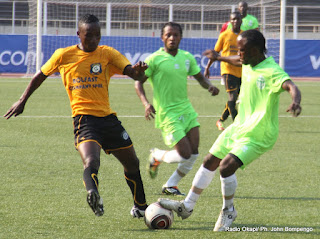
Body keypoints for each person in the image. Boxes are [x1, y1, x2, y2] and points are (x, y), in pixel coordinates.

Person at [4, 14, 149, 218]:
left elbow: (133, 73)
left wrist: (139, 72)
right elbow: (40, 75)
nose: (93, 40)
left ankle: (141, 207)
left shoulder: (107, 53)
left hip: (109, 120)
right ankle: (93, 193)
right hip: (84, 120)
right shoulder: (64, 55)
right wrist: (22, 100)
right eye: (88, 35)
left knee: (132, 163)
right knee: (91, 162)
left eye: (97, 35)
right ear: (78, 34)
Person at [158, 29, 302, 231]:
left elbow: (290, 85)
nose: (239, 54)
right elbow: (236, 60)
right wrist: (218, 57)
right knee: (209, 161)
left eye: (242, 50)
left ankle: (228, 211)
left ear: (255, 50)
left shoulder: (272, 70)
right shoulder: (248, 61)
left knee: (226, 167)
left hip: (259, 134)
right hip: (239, 127)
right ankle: (187, 206)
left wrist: (295, 101)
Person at [134, 22, 220, 196]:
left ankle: (171, 185)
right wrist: (146, 103)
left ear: (181, 37)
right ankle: (157, 155)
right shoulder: (154, 59)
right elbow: (138, 82)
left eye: (175, 35)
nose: (172, 38)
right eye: (168, 35)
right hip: (167, 114)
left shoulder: (186, 57)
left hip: (186, 111)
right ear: (162, 37)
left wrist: (210, 86)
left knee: (194, 153)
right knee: (185, 154)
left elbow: (200, 78)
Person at [205, 12, 243, 131]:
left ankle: (220, 120)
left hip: (241, 71)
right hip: (227, 70)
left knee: (235, 98)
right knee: (232, 98)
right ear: (230, 21)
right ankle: (238, 125)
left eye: (237, 19)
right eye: (233, 19)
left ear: (241, 21)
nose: (235, 21)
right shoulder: (224, 35)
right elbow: (215, 53)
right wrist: (207, 68)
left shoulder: (244, 36)